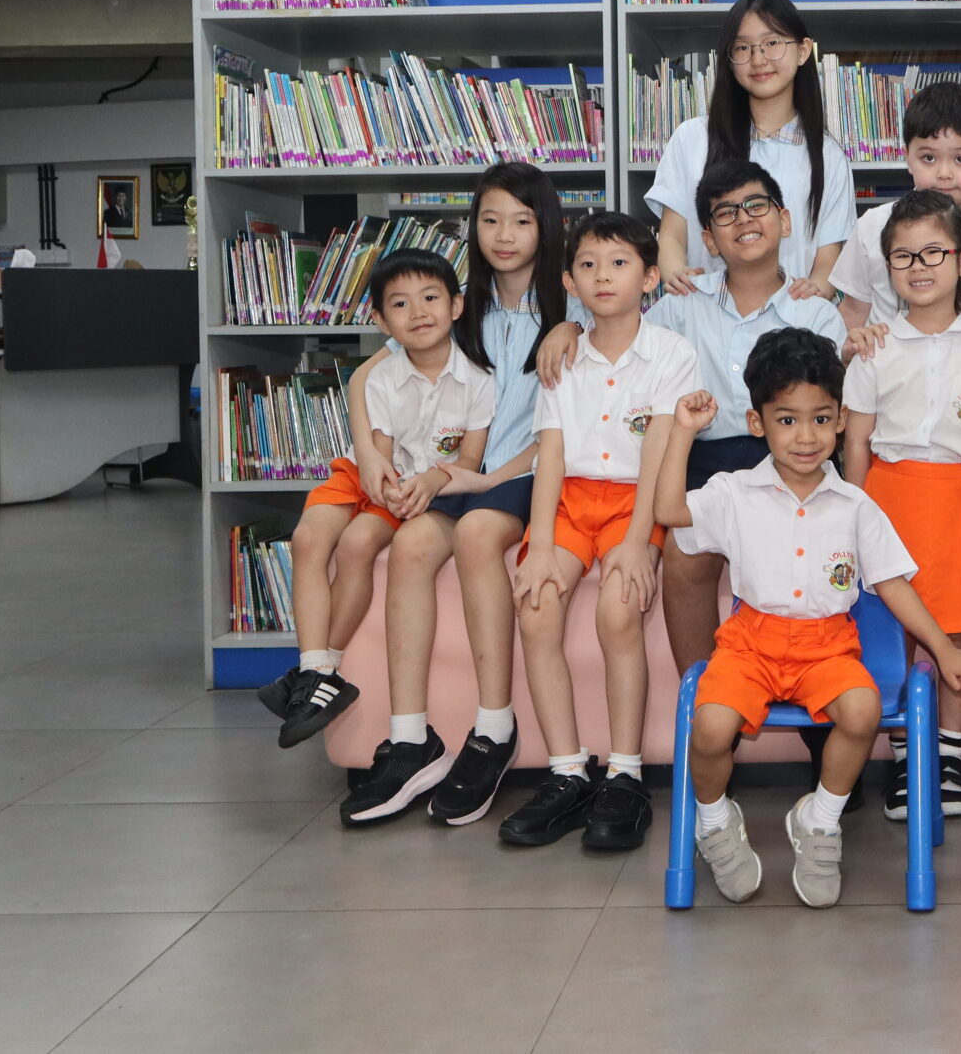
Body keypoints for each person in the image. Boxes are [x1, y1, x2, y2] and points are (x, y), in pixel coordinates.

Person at [651, 329, 961, 907]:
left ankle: (820, 821)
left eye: (821, 419)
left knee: (861, 710)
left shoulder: (856, 505)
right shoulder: (734, 492)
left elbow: (893, 584)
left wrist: (945, 648)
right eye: (787, 420)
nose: (805, 437)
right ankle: (714, 821)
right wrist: (682, 431)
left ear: (840, 421)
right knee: (709, 727)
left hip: (827, 647)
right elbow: (668, 509)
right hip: (749, 646)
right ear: (757, 423)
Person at [340, 162, 569, 827]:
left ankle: (494, 727)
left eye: (522, 221)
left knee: (476, 532)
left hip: (524, 473)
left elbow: (570, 423)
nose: (505, 235)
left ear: (546, 226)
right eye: (490, 219)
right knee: (412, 545)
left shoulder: (572, 307)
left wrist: (570, 327)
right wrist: (369, 449)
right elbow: (369, 374)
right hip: (453, 474)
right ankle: (410, 736)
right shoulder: (456, 303)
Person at [496, 213, 700, 852]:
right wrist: (538, 544)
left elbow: (659, 454)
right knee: (535, 606)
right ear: (569, 282)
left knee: (619, 610)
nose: (602, 276)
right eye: (587, 265)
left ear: (649, 278)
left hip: (634, 503)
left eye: (618, 263)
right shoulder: (561, 357)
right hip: (568, 500)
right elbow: (550, 456)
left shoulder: (672, 353)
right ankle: (566, 772)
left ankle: (625, 774)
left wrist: (638, 542)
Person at [256, 249, 491, 767]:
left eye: (430, 298)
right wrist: (383, 481)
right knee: (308, 538)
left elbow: (469, 460)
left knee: (359, 542)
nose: (418, 312)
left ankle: (319, 673)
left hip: (418, 487)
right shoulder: (380, 377)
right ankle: (316, 669)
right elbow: (376, 458)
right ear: (382, 322)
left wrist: (422, 485)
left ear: (456, 306)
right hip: (369, 476)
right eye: (400, 304)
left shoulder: (479, 380)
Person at [840, 189, 961, 822]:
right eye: (903, 256)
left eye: (933, 253)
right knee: (893, 628)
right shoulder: (874, 349)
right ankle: (904, 756)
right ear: (887, 266)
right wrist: (853, 517)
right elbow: (857, 442)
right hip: (889, 500)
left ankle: (948, 756)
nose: (918, 267)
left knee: (959, 629)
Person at [636, 162, 847, 669]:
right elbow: (621, 337)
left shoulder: (815, 311)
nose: (744, 219)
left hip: (790, 458)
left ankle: (806, 688)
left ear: (784, 221)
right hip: (704, 459)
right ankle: (704, 694)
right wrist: (571, 331)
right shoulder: (681, 305)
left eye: (756, 205)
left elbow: (829, 411)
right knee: (685, 554)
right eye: (726, 213)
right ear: (708, 240)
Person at [645, 0, 855, 298]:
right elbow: (672, 236)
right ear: (729, 60)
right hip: (706, 315)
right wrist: (676, 274)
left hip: (791, 320)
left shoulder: (828, 156)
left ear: (803, 51)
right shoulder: (692, 138)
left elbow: (828, 259)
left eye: (772, 43)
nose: (758, 59)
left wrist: (813, 297)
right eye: (743, 48)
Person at [830, 80, 961, 329]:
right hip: (886, 354)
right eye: (928, 158)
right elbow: (853, 312)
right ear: (908, 158)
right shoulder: (872, 227)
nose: (944, 174)